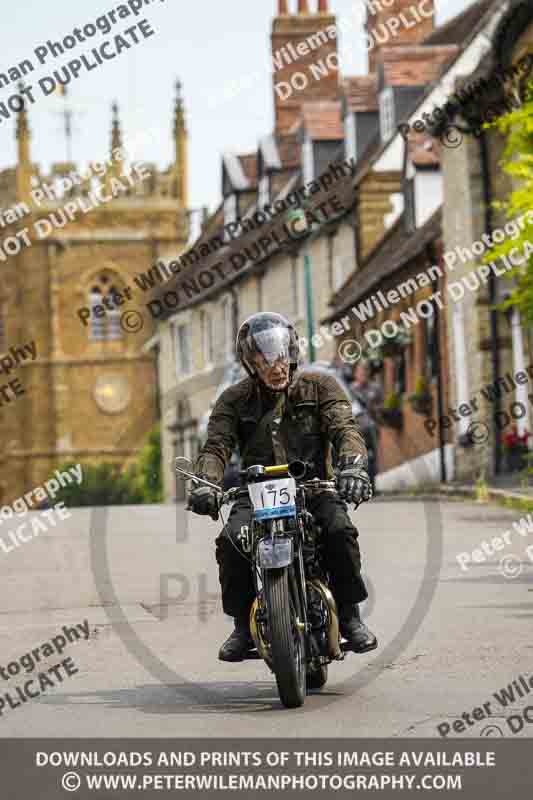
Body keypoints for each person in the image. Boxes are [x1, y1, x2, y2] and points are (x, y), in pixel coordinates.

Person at [187, 312, 377, 662]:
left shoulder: (321, 387)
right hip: (256, 491)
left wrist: (351, 467)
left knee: (339, 529)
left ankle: (350, 616)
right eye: (265, 358)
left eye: (281, 355)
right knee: (232, 541)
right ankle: (243, 627)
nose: (276, 366)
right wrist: (206, 484)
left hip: (316, 488)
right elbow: (216, 447)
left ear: (292, 352)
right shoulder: (233, 400)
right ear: (250, 363)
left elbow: (345, 429)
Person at [349, 361, 383, 492]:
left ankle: (372, 486)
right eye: (360, 372)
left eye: (365, 372)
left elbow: (381, 406)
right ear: (356, 374)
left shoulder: (375, 388)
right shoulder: (350, 389)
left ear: (369, 374)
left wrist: (376, 410)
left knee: (372, 457)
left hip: (372, 428)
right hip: (357, 430)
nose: (363, 374)